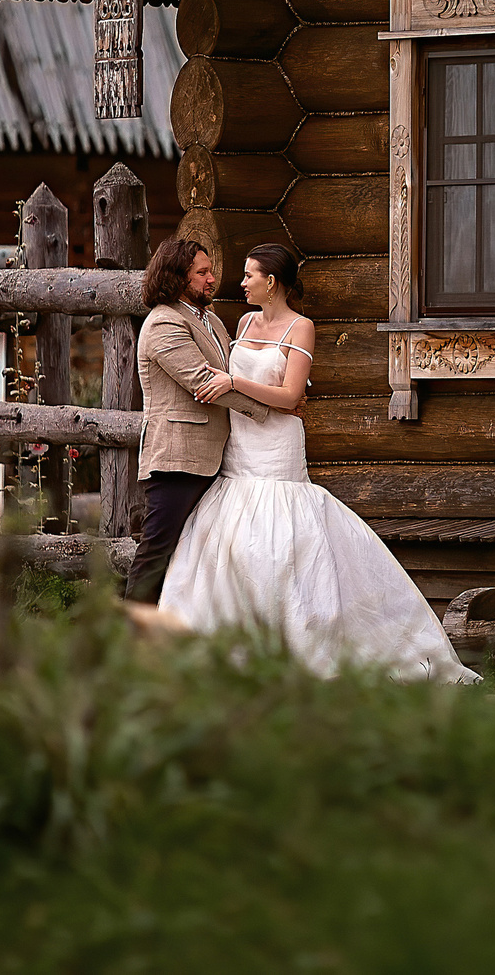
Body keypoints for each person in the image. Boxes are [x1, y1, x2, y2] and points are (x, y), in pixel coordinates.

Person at [159, 244, 476, 682]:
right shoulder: (243, 323)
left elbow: (291, 395)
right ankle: (227, 645)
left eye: (250, 275)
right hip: (241, 447)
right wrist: (243, 388)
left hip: (277, 448)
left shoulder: (301, 327)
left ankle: (303, 640)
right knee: (232, 542)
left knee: (284, 542)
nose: (241, 282)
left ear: (272, 282)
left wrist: (235, 382)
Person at [125, 237, 238, 605]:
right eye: (202, 273)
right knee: (157, 551)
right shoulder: (163, 322)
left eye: (210, 271)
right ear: (176, 277)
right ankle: (129, 631)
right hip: (177, 458)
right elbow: (205, 383)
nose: (211, 279)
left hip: (213, 457)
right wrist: (273, 405)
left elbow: (231, 374)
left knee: (195, 553)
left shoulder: (212, 321)